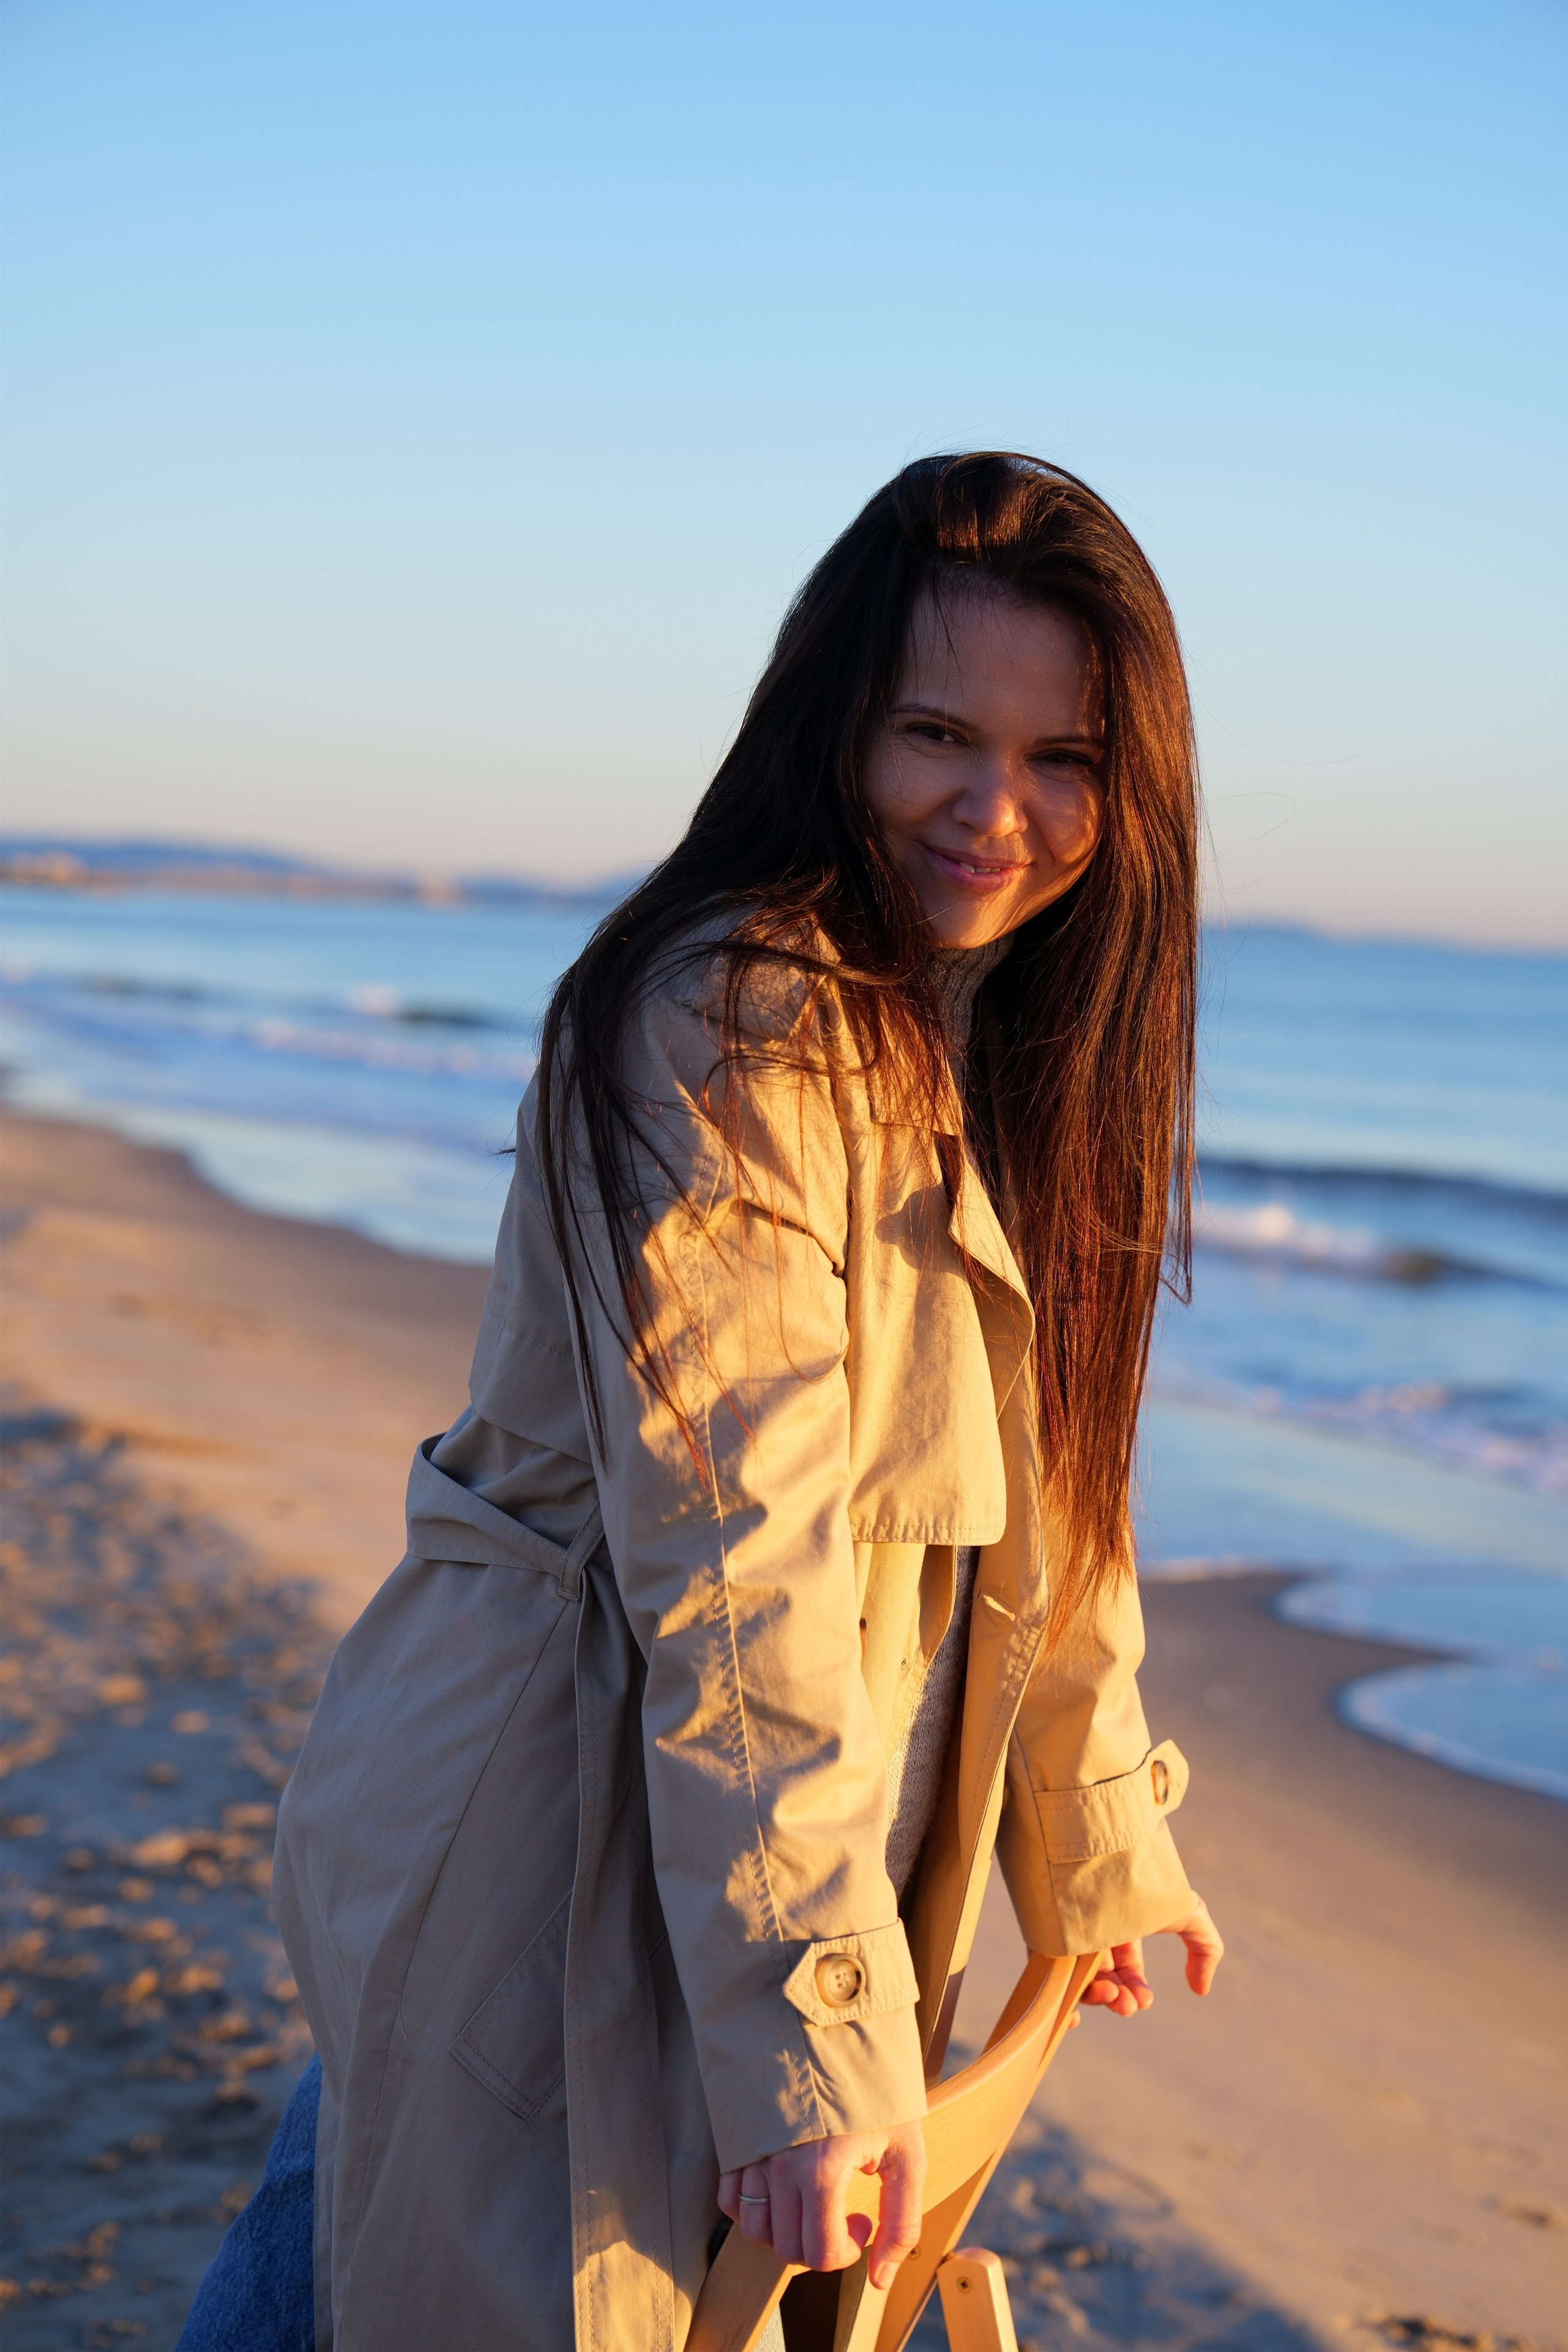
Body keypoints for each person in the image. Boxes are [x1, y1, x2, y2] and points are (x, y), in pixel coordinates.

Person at [179, 450, 1224, 2352]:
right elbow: (744, 1568)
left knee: (361, 2238)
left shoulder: (998, 1025)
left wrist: (1093, 1829)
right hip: (547, 1844)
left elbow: (1058, 1489)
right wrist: (816, 2036)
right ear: (834, 727)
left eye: (1067, 757)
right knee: (400, 2259)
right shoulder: (731, 1030)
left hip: (750, 1863)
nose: (999, 809)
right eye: (936, 733)